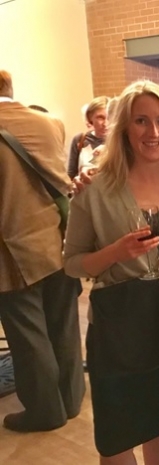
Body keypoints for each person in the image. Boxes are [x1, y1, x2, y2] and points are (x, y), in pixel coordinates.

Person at [63, 80, 159, 463]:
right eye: (141, 121)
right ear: (123, 127)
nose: (153, 133)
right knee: (116, 430)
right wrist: (115, 252)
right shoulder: (95, 187)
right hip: (120, 323)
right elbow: (72, 263)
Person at [0, 69, 85, 432]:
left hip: (10, 252)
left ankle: (45, 411)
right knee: (63, 325)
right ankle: (70, 398)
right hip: (57, 238)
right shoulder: (50, 123)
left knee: (29, 336)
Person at [67, 96, 109, 179]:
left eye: (109, 117)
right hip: (84, 189)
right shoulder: (80, 139)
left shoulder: (120, 141)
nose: (105, 123)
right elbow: (71, 173)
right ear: (90, 117)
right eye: (100, 117)